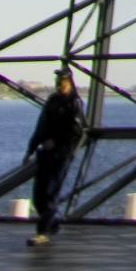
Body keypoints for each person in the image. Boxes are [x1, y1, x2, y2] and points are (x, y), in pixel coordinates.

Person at [26, 68, 84, 245]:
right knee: (38, 195)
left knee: (51, 191)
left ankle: (43, 232)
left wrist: (57, 142)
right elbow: (41, 125)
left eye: (62, 81)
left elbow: (76, 131)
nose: (59, 85)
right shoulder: (52, 100)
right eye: (57, 81)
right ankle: (53, 222)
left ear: (69, 82)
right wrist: (31, 149)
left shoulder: (74, 103)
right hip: (46, 153)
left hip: (61, 154)